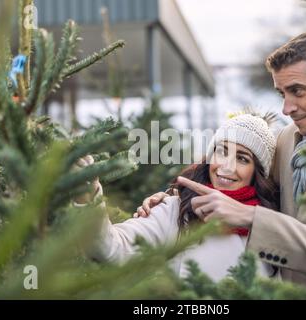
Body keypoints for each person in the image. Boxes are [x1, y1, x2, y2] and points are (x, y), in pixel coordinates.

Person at [135, 31, 306, 287]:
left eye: (298, 91)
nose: (286, 108)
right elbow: (241, 178)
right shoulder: (288, 138)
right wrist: (174, 198)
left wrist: (252, 218)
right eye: (282, 93)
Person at [75, 113, 279, 282]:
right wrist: (89, 193)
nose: (227, 166)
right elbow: (110, 249)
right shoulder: (176, 209)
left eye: (242, 158)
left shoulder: (267, 224)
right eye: (221, 152)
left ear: (258, 173)